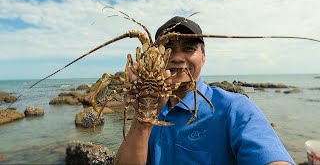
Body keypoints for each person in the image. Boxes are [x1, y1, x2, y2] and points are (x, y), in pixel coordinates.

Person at [114, 16, 295, 165]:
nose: (177, 57)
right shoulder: (153, 109)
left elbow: (272, 159)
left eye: (189, 48)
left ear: (204, 57)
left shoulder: (236, 108)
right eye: (168, 50)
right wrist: (142, 119)